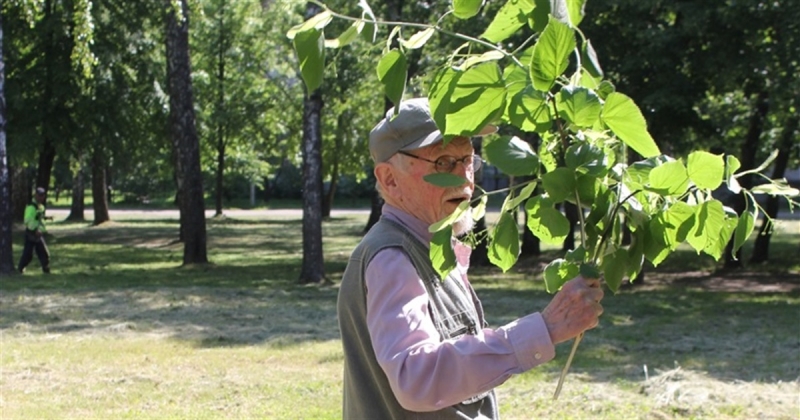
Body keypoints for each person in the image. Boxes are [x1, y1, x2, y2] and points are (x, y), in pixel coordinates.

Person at [337, 98, 605, 419]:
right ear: (390, 179)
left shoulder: (432, 247)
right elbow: (415, 377)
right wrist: (544, 329)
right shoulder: (392, 258)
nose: (465, 179)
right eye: (444, 162)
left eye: (468, 159)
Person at [18, 187, 51, 274]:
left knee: (44, 253)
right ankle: (20, 269)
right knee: (28, 254)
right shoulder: (31, 207)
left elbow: (39, 219)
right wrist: (35, 230)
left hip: (38, 234)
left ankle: (46, 270)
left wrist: (46, 219)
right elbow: (27, 220)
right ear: (35, 195)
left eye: (43, 195)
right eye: (39, 195)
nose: (41, 197)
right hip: (31, 233)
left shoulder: (41, 207)